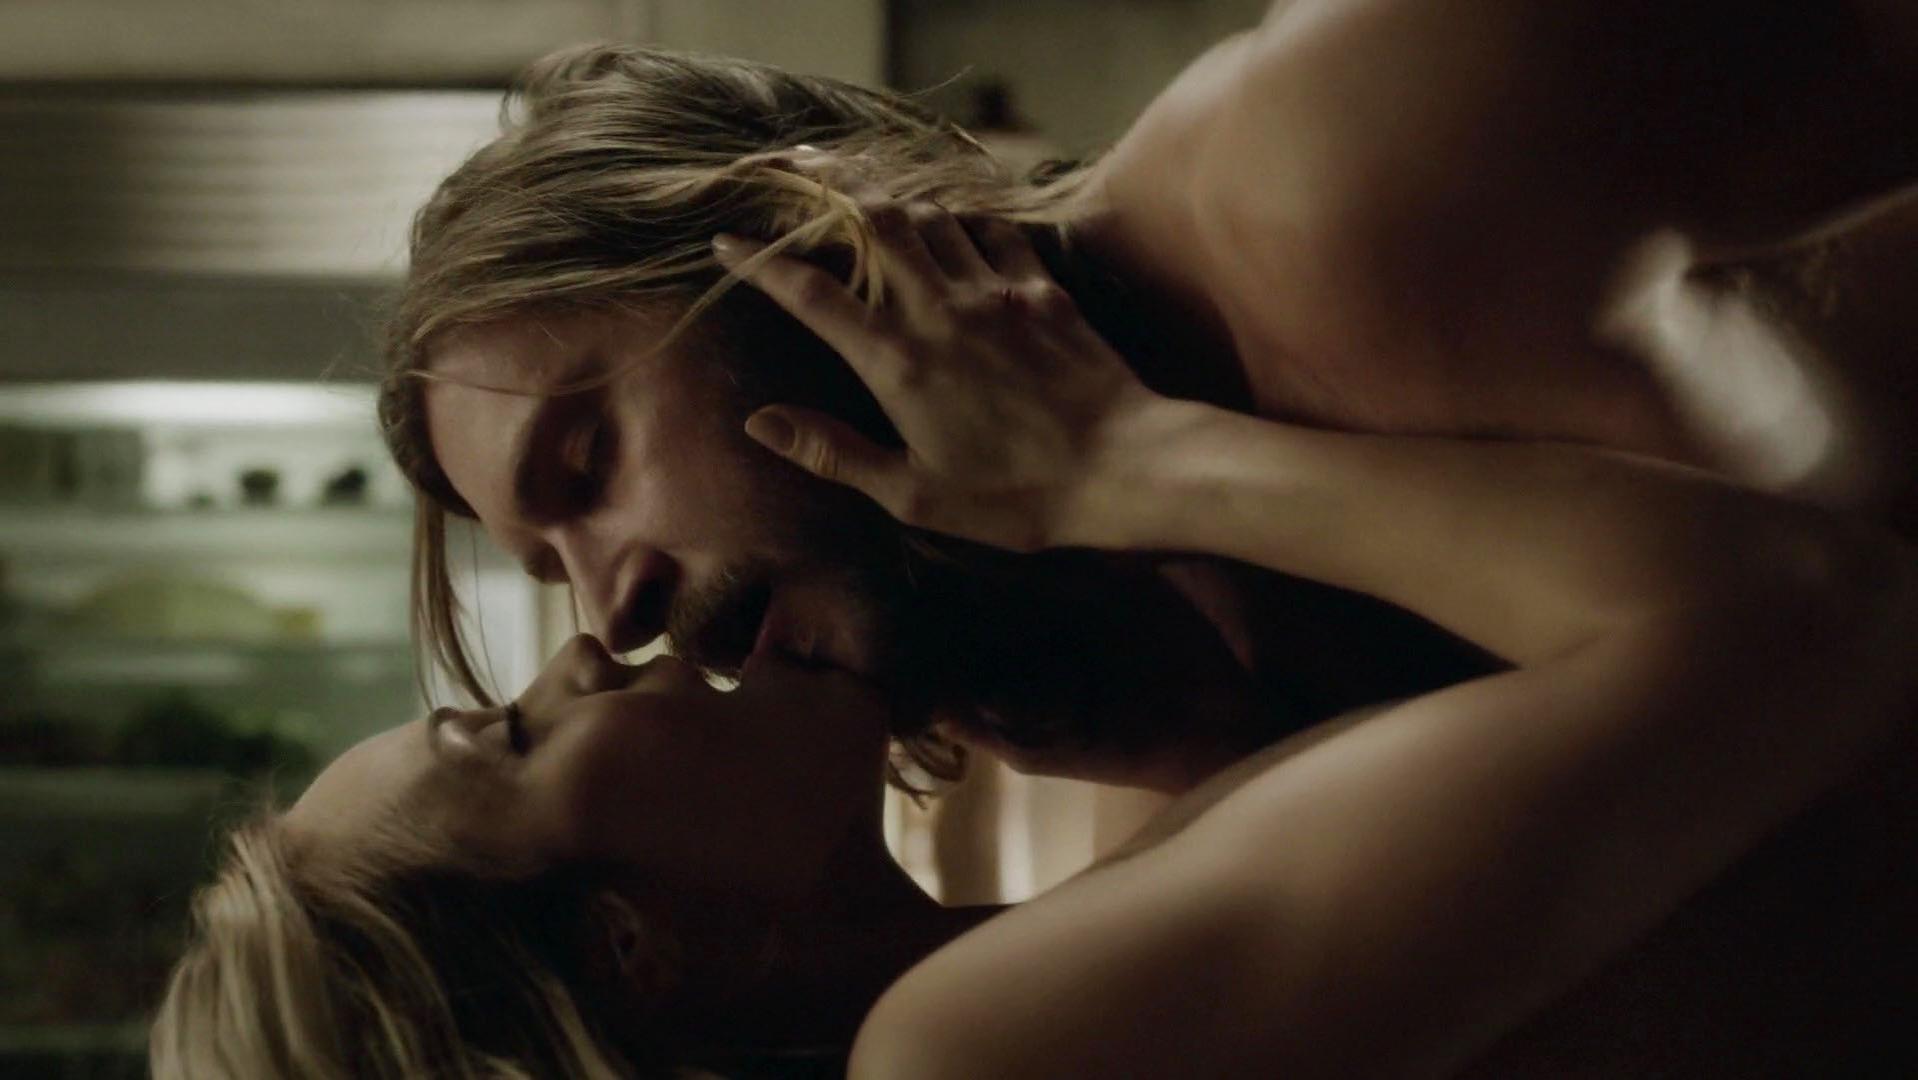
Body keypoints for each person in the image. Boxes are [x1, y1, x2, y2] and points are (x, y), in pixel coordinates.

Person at [156, 215, 1915, 1072]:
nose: (587, 637)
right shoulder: (968, 1052)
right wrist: (1132, 465)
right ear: (630, 948)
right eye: (516, 739)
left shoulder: (1006, 956)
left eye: (588, 474)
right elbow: (1802, 619)